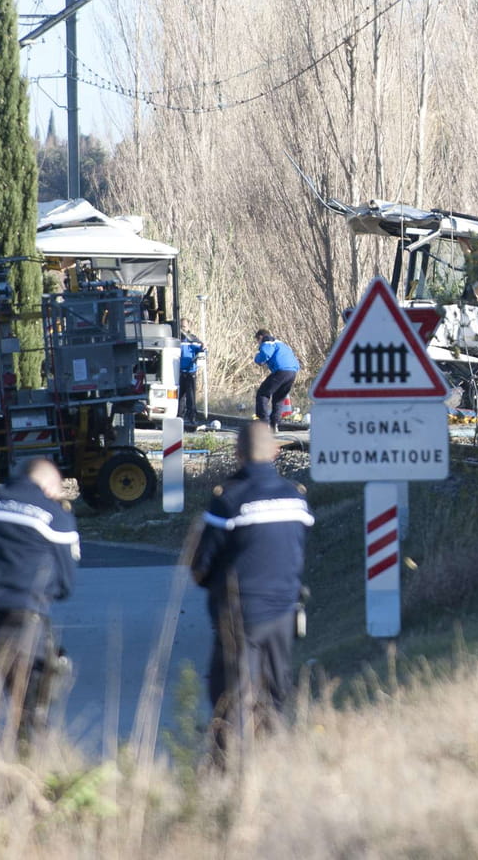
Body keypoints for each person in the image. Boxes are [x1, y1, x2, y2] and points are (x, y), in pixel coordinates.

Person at [191, 421, 313, 754]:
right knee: (274, 693)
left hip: (239, 616)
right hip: (284, 615)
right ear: (275, 451)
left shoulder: (229, 499)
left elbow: (201, 564)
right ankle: (274, 760)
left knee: (230, 696)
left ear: (238, 454)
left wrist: (210, 584)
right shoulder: (295, 497)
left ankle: (224, 768)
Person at [0, 457, 80, 746]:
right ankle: (26, 779)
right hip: (25, 623)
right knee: (30, 718)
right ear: (51, 486)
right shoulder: (54, 515)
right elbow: (66, 584)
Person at [252, 328, 300, 431]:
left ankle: (264, 424)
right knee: (278, 398)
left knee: (262, 394)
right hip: (292, 372)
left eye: (257, 341)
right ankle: (274, 425)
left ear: (260, 337)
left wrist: (258, 359)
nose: (258, 344)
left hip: (281, 371)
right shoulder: (282, 344)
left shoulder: (268, 341)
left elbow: (265, 353)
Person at [178, 319, 206, 428]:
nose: (182, 329)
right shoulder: (176, 339)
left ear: (188, 327)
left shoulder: (194, 340)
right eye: (181, 326)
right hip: (178, 372)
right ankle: (178, 417)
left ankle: (192, 418)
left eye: (184, 326)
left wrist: (203, 348)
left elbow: (202, 352)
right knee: (179, 397)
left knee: (191, 396)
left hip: (190, 372)